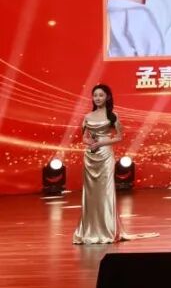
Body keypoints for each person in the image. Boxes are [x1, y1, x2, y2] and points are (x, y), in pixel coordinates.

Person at [73, 85, 125, 244]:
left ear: (107, 97)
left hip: (105, 155)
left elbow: (119, 137)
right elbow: (84, 137)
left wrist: (102, 143)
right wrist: (89, 142)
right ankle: (89, 230)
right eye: (95, 95)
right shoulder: (88, 116)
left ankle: (108, 230)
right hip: (91, 156)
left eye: (101, 95)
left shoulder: (113, 116)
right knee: (91, 194)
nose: (97, 98)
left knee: (106, 192)